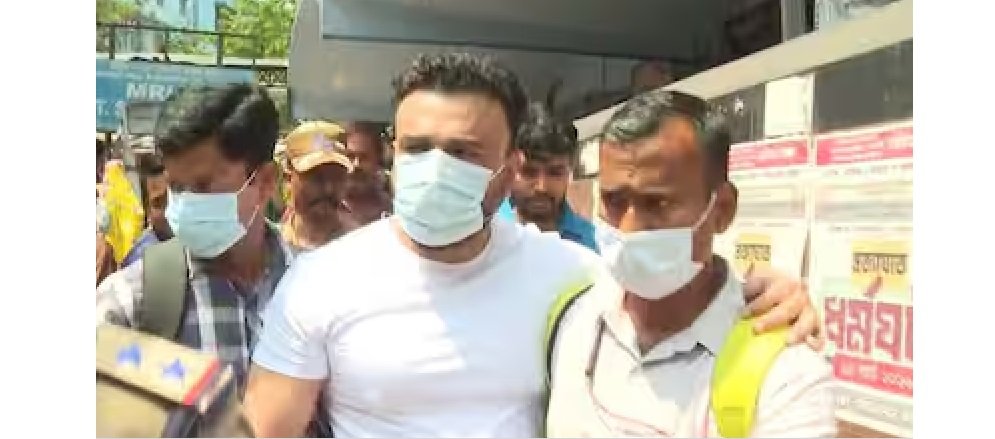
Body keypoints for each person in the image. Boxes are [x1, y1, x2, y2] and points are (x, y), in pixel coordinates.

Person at [242, 53, 820, 438]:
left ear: (509, 164)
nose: (436, 169)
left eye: (463, 152)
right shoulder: (320, 282)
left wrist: (770, 292)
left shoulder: (573, 279)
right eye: (418, 148)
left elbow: (675, 283)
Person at [546, 90, 834, 437]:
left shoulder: (786, 373)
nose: (628, 228)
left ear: (722, 210)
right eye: (614, 200)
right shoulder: (573, 317)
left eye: (658, 204)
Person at [96, 84, 292, 393]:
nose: (186, 204)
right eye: (176, 187)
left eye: (202, 186)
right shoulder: (132, 302)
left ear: (265, 181)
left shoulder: (318, 289)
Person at [497, 102, 599, 252]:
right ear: (509, 166)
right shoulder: (484, 232)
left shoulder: (590, 243)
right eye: (529, 172)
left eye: (555, 173)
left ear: (571, 169)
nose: (542, 187)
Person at [280, 121, 356, 255]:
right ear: (288, 178)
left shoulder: (360, 249)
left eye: (336, 177)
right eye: (315, 177)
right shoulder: (270, 248)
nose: (328, 188)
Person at [121, 154, 173, 267]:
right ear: (147, 210)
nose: (170, 210)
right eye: (158, 203)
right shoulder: (141, 260)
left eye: (175, 199)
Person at [341, 121, 393, 225]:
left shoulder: (391, 208)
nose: (356, 164)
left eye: (364, 157)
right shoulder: (328, 206)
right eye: (350, 156)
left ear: (378, 160)